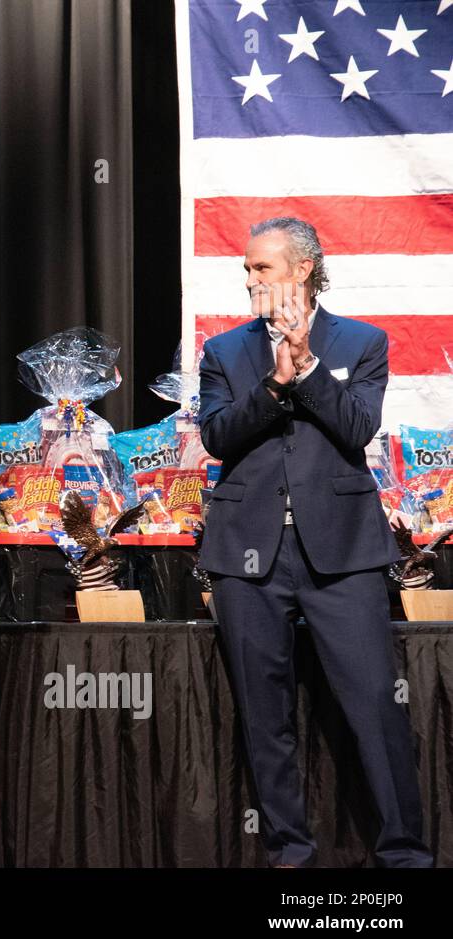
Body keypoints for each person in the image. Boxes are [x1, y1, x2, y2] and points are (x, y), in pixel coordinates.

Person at [197, 216, 431, 868]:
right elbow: (218, 436)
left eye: (261, 268)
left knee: (375, 711)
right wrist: (273, 385)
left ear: (302, 268)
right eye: (246, 269)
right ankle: (290, 858)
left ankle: (405, 857)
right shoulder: (223, 352)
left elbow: (356, 427)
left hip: (344, 557)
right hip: (249, 559)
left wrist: (306, 375)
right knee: (264, 720)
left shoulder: (362, 342)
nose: (249, 280)